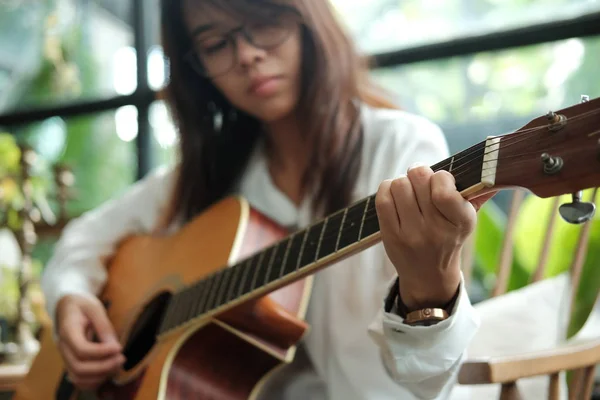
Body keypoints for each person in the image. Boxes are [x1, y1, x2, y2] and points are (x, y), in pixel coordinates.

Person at [41, 0, 492, 398]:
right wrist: (70, 298)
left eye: (264, 22)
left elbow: (428, 384)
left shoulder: (401, 149)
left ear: (307, 19)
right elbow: (83, 238)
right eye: (215, 44)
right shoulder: (211, 177)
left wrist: (428, 293)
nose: (247, 55)